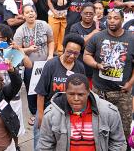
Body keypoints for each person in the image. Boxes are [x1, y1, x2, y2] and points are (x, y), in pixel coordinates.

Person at [83, 9, 134, 144]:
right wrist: (96, 65)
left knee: (123, 130)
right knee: (98, 128)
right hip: (100, 92)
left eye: (115, 18)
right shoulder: (98, 37)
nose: (111, 20)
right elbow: (86, 55)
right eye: (109, 18)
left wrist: (130, 83)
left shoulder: (131, 39)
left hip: (122, 94)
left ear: (122, 20)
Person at [38, 73, 126, 150]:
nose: (76, 99)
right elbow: (45, 144)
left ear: (88, 92)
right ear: (65, 92)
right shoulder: (51, 114)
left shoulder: (109, 112)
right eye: (71, 94)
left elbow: (118, 142)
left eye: (80, 94)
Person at [34, 33, 85, 150]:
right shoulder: (51, 65)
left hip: (69, 112)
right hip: (49, 109)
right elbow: (41, 92)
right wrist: (41, 116)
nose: (72, 56)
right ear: (63, 48)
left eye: (76, 53)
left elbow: (83, 92)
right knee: (41, 144)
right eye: (69, 52)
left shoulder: (80, 68)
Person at [14, 5, 54, 126]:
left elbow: (51, 41)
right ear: (23, 15)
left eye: (32, 11)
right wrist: (28, 49)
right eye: (27, 12)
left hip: (46, 63)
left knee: (47, 87)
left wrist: (51, 55)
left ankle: (48, 109)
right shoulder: (20, 31)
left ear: (35, 13)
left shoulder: (44, 24)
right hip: (30, 66)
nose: (30, 14)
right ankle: (34, 113)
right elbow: (16, 49)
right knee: (32, 90)